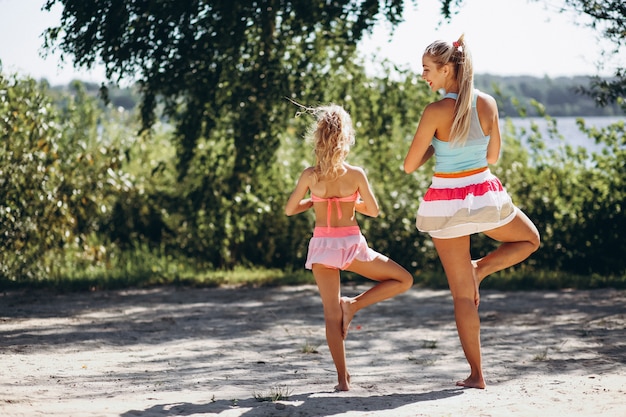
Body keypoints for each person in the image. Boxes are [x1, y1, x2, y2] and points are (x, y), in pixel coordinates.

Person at [403, 34, 540, 389]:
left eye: (427, 69)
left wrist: (436, 144)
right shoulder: (488, 103)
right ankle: (482, 269)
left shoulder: (434, 111)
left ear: (447, 68)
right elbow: (493, 157)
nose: (423, 77)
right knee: (529, 239)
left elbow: (409, 165)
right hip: (484, 196)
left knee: (462, 296)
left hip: (446, 203)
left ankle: (477, 375)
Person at [285, 103, 414, 392]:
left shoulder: (310, 175)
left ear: (318, 138)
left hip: (322, 247)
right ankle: (354, 304)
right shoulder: (355, 174)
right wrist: (352, 202)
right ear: (346, 138)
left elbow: (290, 209)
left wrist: (314, 201)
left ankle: (342, 380)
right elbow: (374, 210)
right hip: (351, 246)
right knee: (404, 279)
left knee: (331, 314)